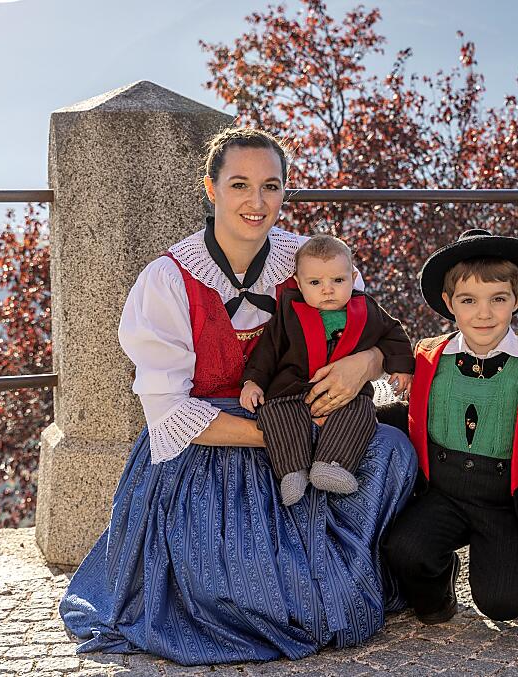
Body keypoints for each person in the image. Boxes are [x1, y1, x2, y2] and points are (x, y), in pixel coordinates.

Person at [59, 127, 418, 665]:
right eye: (240, 185)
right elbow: (170, 414)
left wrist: (364, 363)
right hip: (213, 440)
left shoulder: (311, 260)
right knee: (242, 587)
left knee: (393, 451)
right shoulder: (168, 280)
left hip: (313, 422)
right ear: (210, 188)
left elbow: (373, 329)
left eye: (271, 186)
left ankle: (350, 565)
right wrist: (286, 437)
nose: (257, 201)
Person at [381, 229, 518, 624]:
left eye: (498, 299)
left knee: (504, 602)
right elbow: (411, 408)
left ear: (517, 299)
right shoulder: (429, 355)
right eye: (468, 300)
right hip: (442, 491)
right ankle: (440, 586)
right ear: (449, 303)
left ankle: (507, 573)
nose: (484, 314)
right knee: (404, 552)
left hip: (503, 501)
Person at [240, 233, 415, 506]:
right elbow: (268, 350)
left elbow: (393, 333)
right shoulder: (290, 311)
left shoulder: (365, 308)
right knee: (274, 413)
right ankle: (292, 471)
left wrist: (401, 368)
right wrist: (253, 382)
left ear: (353, 277)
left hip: (348, 396)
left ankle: (332, 465)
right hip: (292, 388)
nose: (327, 290)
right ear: (299, 283)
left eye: (338, 280)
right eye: (315, 282)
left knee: (362, 414)